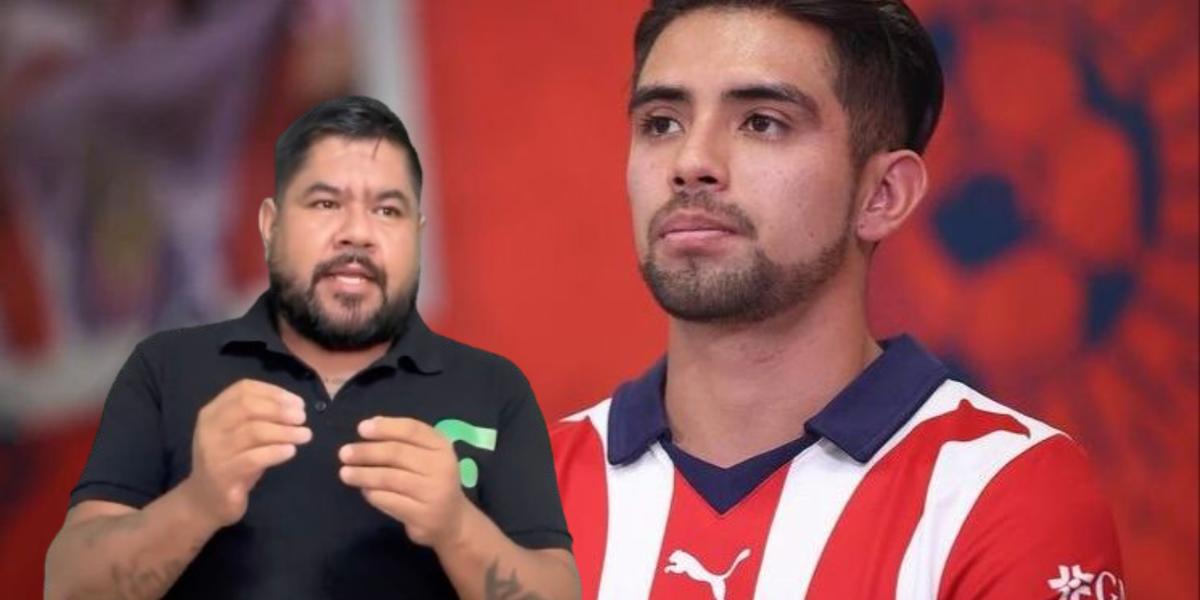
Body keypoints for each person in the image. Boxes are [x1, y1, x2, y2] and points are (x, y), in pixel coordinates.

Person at [550, 2, 1125, 599]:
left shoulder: (1003, 488)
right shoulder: (516, 491)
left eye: (762, 122)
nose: (691, 163)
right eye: (662, 123)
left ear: (882, 195)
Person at [45, 96, 579, 600]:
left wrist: (455, 525)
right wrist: (198, 501)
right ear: (270, 226)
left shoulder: (492, 388)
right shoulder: (166, 370)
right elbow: (66, 587)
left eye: (387, 211)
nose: (357, 233)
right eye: (326, 203)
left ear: (416, 235)